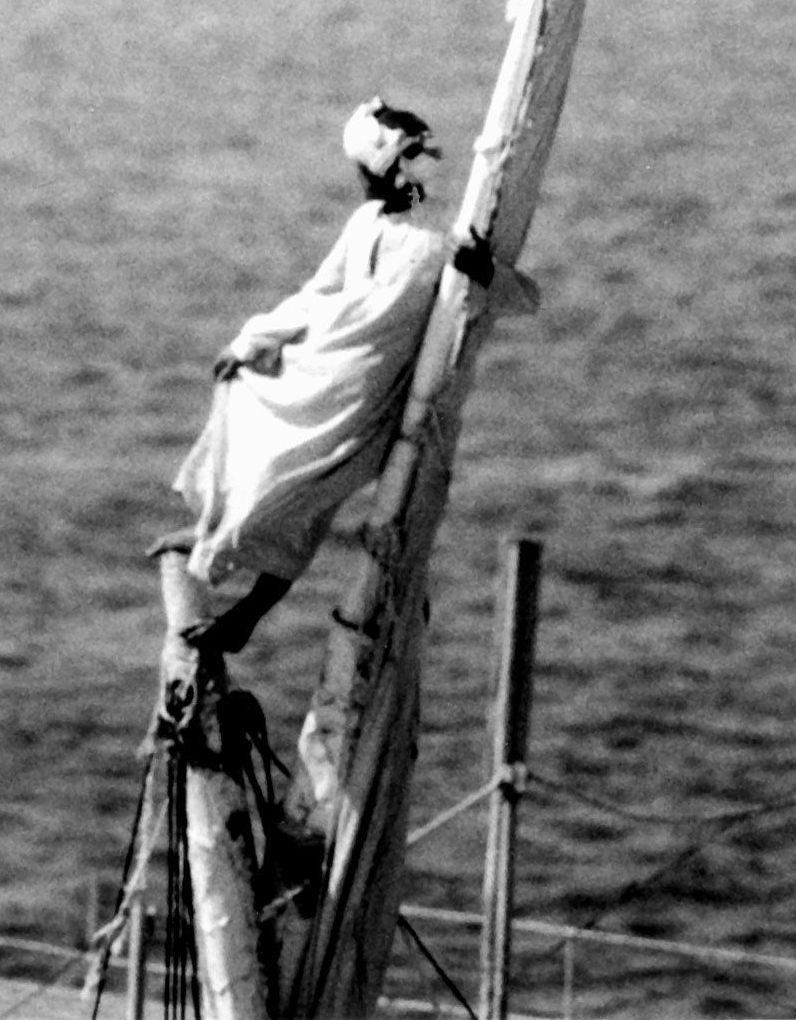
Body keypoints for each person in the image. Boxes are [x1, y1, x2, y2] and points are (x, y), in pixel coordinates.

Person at [159, 97, 531, 658]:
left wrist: (485, 273)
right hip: (325, 365)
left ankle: (240, 600)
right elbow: (319, 293)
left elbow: (523, 297)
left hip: (368, 397)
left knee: (297, 494)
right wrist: (254, 338)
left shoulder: (445, 246)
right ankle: (220, 539)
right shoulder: (368, 224)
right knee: (246, 415)